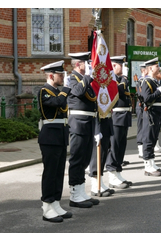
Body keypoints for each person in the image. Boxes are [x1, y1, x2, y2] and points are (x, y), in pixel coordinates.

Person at [66, 52, 104, 204]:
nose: (89, 66)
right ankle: (75, 194)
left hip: (88, 122)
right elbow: (77, 92)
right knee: (77, 159)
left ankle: (81, 191)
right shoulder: (71, 79)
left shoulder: (84, 80)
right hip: (78, 123)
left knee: (85, 159)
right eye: (86, 63)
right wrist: (88, 78)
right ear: (77, 65)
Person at [38, 60, 72, 223]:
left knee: (59, 172)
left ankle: (55, 203)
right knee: (50, 173)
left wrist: (63, 91)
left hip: (60, 135)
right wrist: (65, 90)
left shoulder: (57, 92)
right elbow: (56, 103)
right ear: (51, 75)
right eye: (60, 74)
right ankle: (46, 207)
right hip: (50, 137)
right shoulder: (44, 91)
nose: (63, 77)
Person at [105, 56, 133, 189]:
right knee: (114, 146)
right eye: (121, 65)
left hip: (124, 115)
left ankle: (118, 171)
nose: (123, 67)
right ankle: (112, 174)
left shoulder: (121, 79)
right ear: (115, 66)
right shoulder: (111, 79)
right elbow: (120, 91)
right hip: (116, 115)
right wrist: (124, 79)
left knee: (121, 145)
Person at [141, 57, 161, 176]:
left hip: (156, 113)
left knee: (154, 137)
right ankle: (147, 166)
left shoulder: (154, 81)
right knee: (149, 139)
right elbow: (146, 98)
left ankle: (152, 162)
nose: (159, 68)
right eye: (157, 66)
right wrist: (158, 92)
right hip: (150, 114)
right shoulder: (147, 81)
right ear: (150, 68)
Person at [135, 63, 147, 158]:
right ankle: (140, 149)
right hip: (141, 106)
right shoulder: (140, 80)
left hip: (145, 106)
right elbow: (140, 94)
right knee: (141, 127)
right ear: (143, 70)